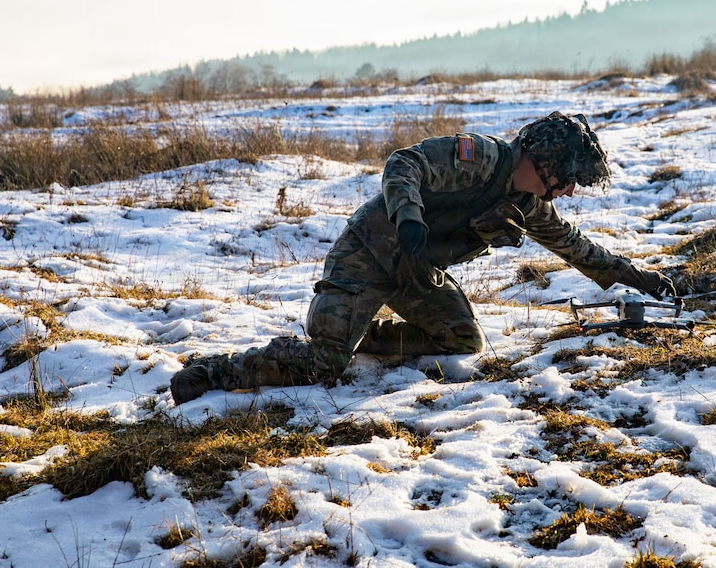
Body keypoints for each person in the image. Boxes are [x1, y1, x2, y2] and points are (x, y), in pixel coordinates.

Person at [170, 111, 679, 403]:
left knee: (461, 340)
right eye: (566, 178)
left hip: (415, 274)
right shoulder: (479, 157)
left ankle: (357, 336)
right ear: (544, 162)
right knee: (323, 367)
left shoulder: (529, 206)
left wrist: (642, 280)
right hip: (367, 254)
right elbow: (404, 164)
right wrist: (409, 217)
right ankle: (215, 370)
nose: (568, 191)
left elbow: (577, 247)